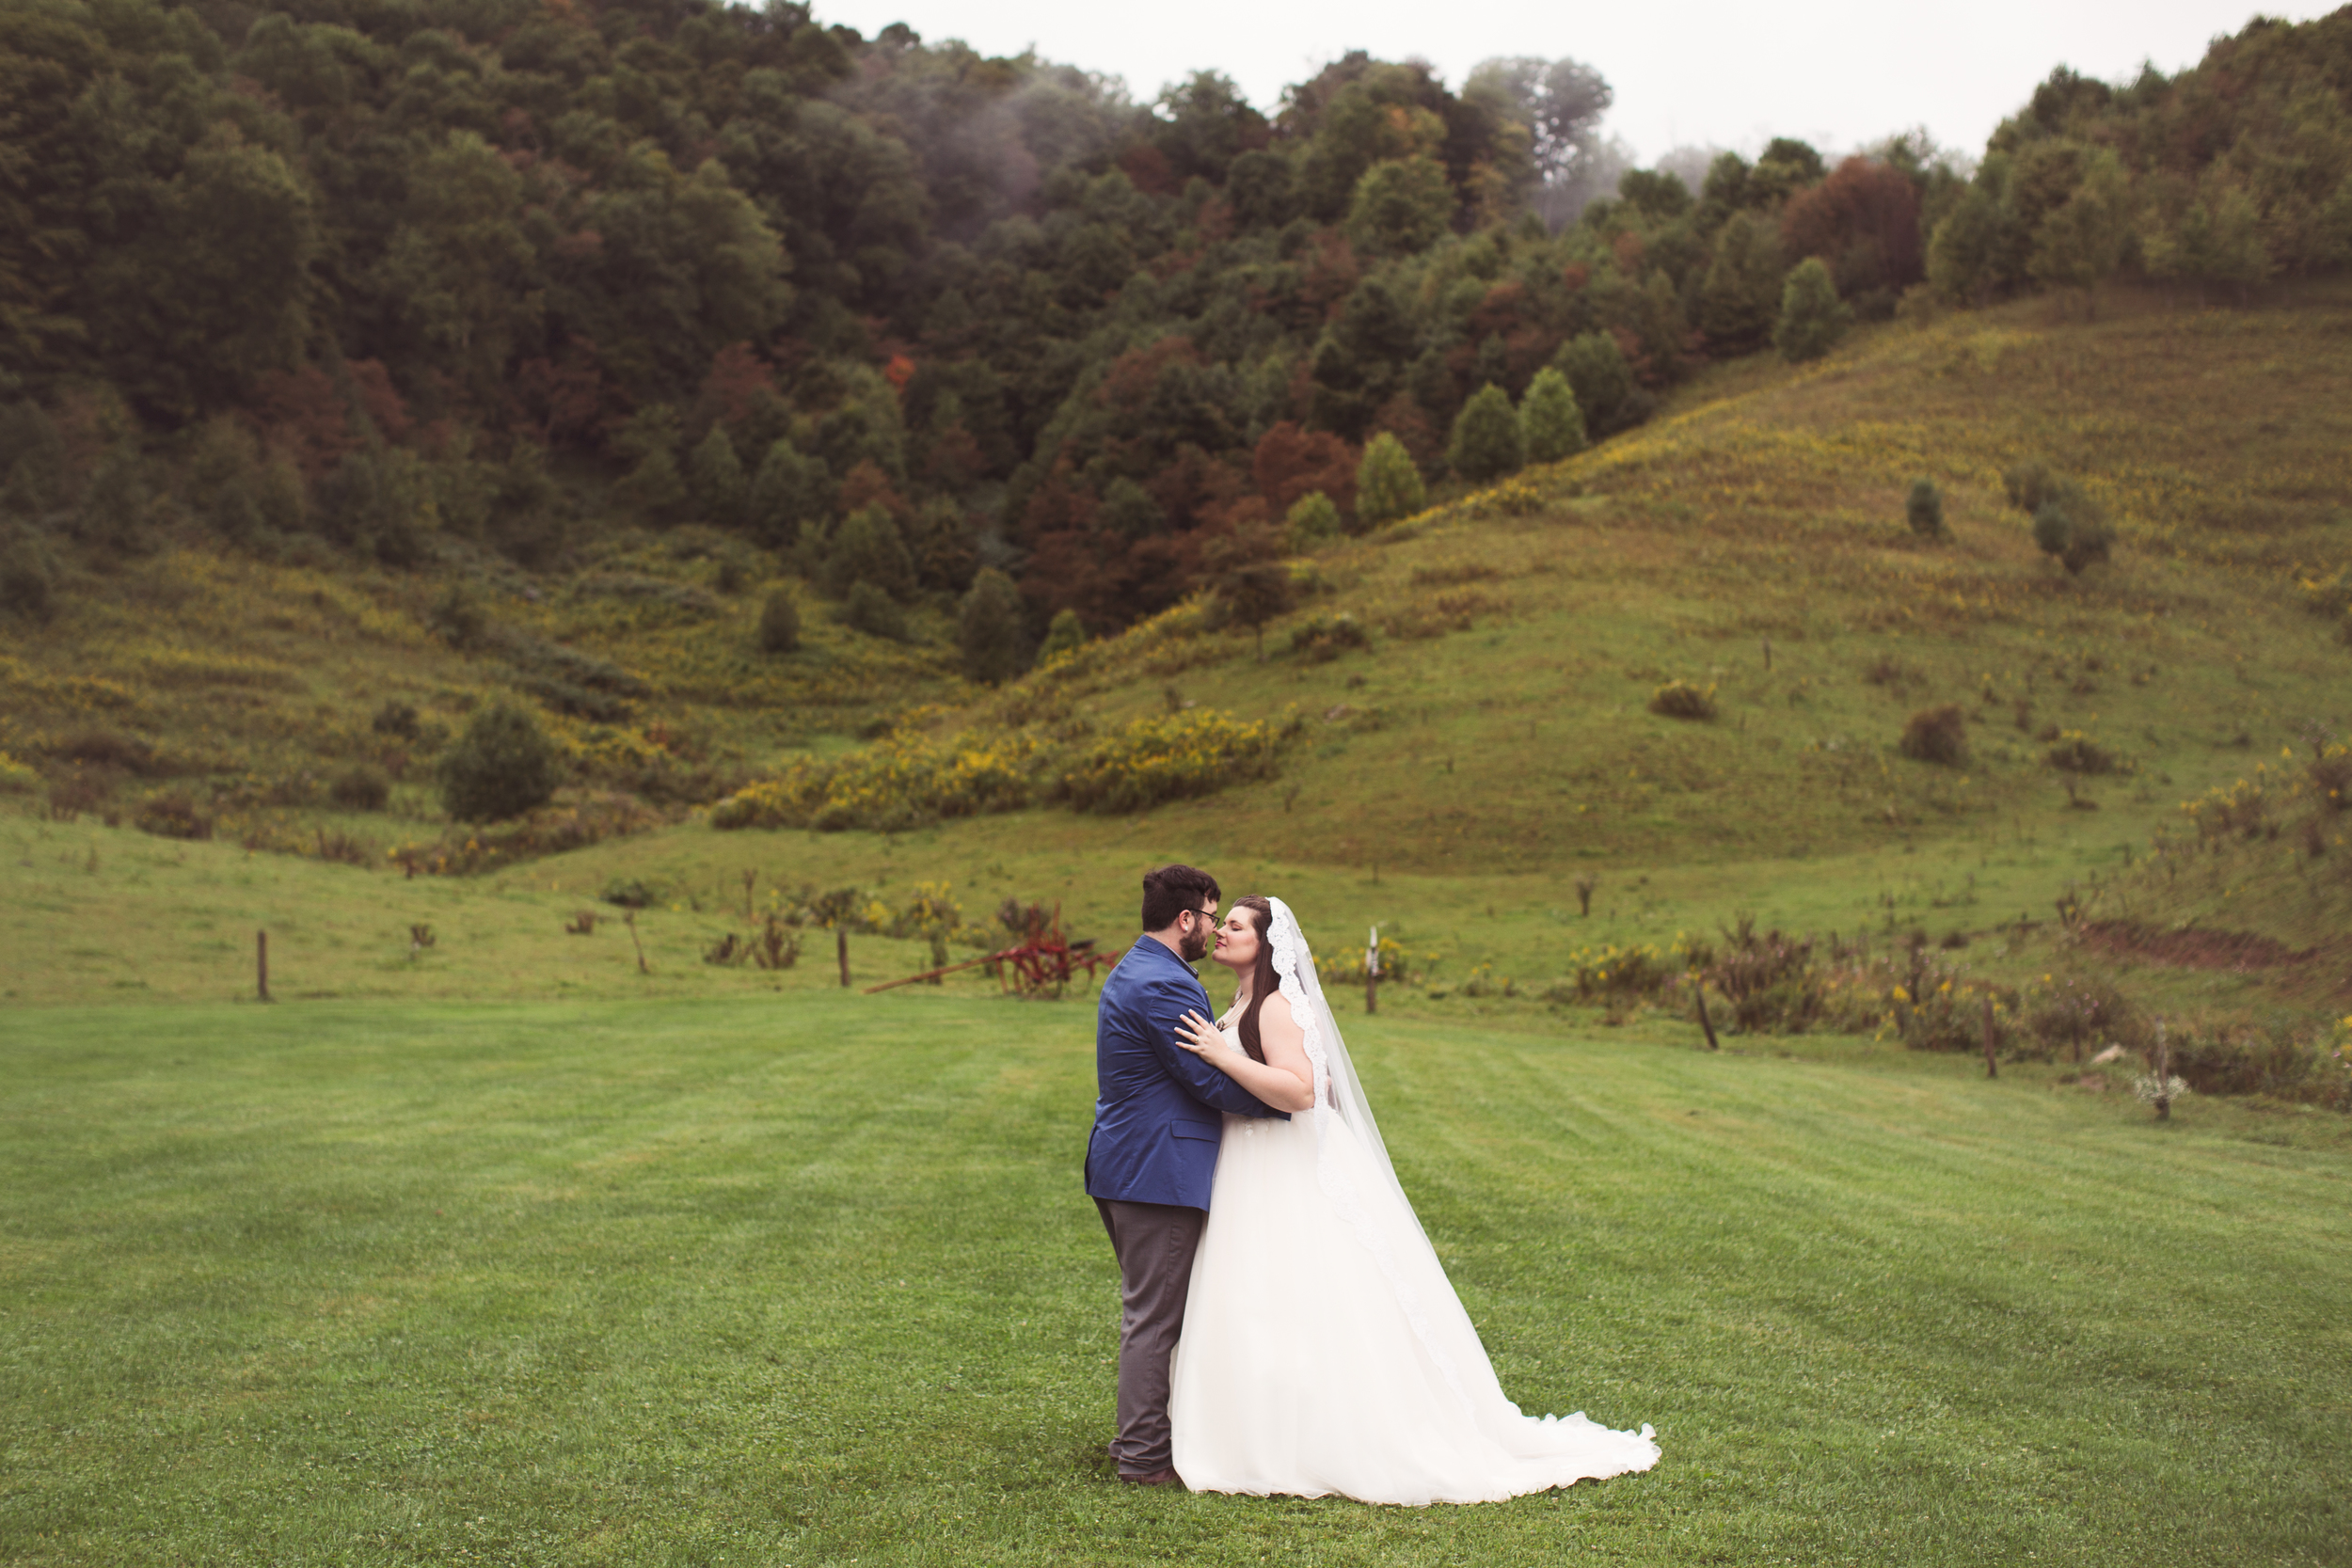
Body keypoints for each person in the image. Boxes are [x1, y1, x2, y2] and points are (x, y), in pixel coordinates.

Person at [1164, 895, 1660, 1505]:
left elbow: (1300, 1091)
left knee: (1297, 1287)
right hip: (1248, 1162)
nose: (1222, 934)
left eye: (1235, 926)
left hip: (1280, 1162)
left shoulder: (1276, 1005)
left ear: (1265, 943)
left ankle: (1313, 1435)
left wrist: (1218, 1054)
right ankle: (1252, 1428)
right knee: (1255, 1295)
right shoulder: (1242, 1000)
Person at [1086, 865, 1289, 1486]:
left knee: (1152, 1312)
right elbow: (1202, 1077)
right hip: (1157, 1170)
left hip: (1129, 1162)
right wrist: (1285, 1103)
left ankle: (1137, 1443)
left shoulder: (1140, 967)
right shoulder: (1164, 984)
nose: (1213, 926)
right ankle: (1144, 1460)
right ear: (1185, 920)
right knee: (1155, 1319)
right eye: (1210, 915)